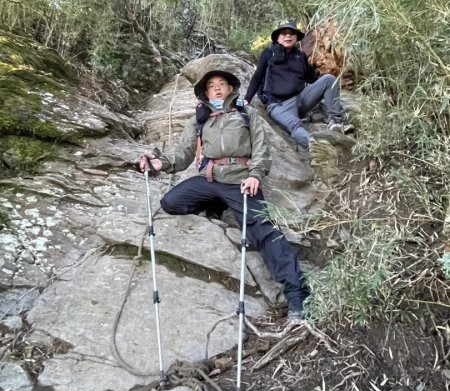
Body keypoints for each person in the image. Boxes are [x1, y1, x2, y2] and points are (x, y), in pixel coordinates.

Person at [139, 69, 309, 323]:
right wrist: (159, 164)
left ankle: (297, 295)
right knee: (171, 202)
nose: (217, 88)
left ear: (231, 88)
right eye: (211, 86)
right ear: (206, 93)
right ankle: (217, 203)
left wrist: (255, 175)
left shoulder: (246, 113)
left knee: (262, 231)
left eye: (222, 84)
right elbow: (182, 154)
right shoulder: (199, 120)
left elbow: (262, 148)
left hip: (240, 181)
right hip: (210, 179)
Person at [244, 19, 354, 150]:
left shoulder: (300, 56)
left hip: (300, 100)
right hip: (278, 104)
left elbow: (311, 78)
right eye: (283, 33)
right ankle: (318, 149)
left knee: (329, 79)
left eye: (291, 33)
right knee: (295, 126)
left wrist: (327, 92)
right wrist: (246, 99)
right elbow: (257, 76)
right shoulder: (269, 52)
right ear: (277, 38)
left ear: (296, 37)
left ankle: (336, 122)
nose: (288, 36)